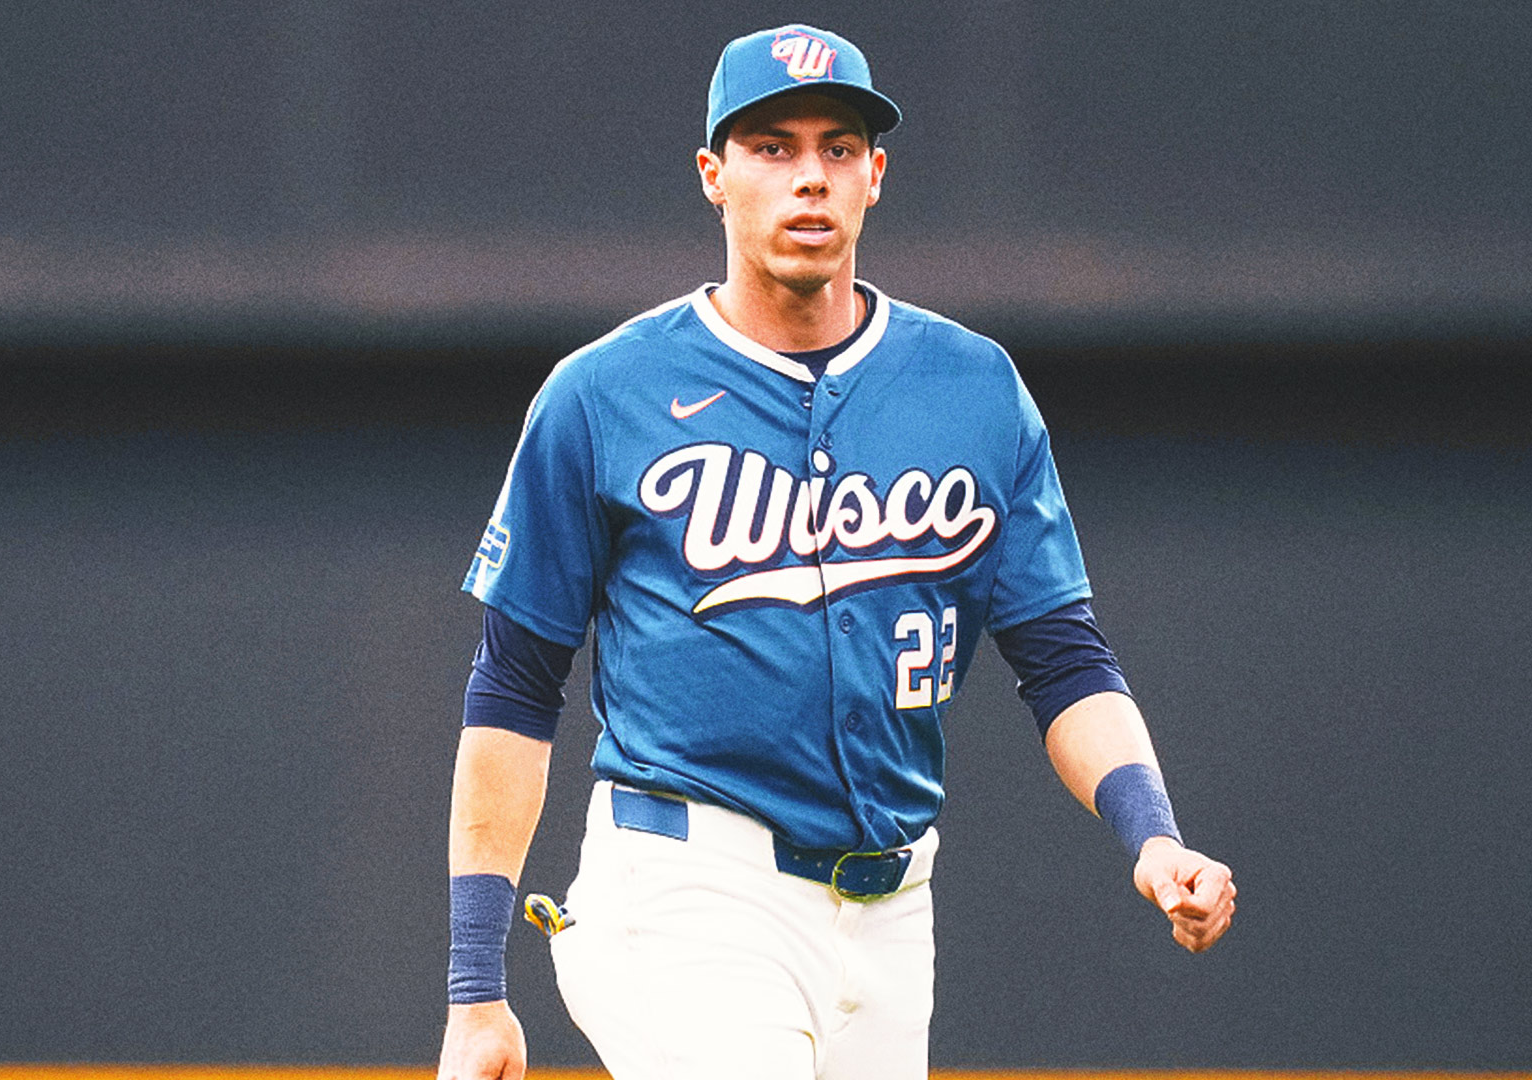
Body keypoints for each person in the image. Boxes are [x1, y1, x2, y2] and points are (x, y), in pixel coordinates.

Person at [436, 24, 1235, 1080]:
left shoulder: (973, 388)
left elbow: (1065, 660)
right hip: (687, 893)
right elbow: (513, 685)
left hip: (893, 911)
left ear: (875, 176)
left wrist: (1154, 834)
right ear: (714, 176)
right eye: (772, 147)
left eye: (838, 147)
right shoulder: (603, 395)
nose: (809, 175)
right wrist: (475, 989)